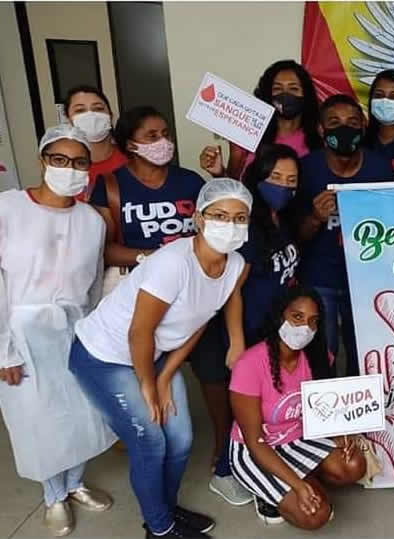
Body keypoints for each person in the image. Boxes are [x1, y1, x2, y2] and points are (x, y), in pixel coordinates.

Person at [70, 179, 253, 539]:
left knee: (181, 438)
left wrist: (166, 375)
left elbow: (199, 321)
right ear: (199, 219)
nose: (229, 225)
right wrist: (148, 385)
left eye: (239, 218)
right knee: (150, 442)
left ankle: (164, 510)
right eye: (219, 215)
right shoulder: (173, 263)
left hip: (151, 355)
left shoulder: (234, 264)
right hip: (105, 355)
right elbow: (139, 331)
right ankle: (160, 528)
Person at [0, 125, 115, 537]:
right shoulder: (8, 208)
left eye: (79, 162)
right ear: (42, 161)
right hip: (21, 333)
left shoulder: (91, 220)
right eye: (59, 160)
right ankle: (53, 495)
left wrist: (95, 338)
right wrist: (4, 351)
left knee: (84, 412)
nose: (70, 169)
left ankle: (75, 483)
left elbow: (94, 283)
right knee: (39, 418)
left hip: (74, 329)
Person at [200, 144, 303, 507]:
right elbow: (233, 289)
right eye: (275, 177)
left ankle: (257, 466)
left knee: (264, 407)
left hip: (270, 331)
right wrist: (236, 342)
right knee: (244, 410)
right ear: (258, 178)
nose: (283, 186)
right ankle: (224, 474)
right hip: (245, 332)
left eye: (291, 180)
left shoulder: (280, 218)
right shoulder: (250, 230)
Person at [229, 286, 366, 528]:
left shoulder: (317, 357)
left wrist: (338, 435)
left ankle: (301, 479)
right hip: (256, 449)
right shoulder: (249, 364)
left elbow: (324, 407)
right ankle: (275, 488)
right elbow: (254, 442)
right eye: (297, 317)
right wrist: (298, 485)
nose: (305, 328)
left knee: (353, 465)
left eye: (313, 321)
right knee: (315, 515)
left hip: (299, 436)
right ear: (280, 316)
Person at [297, 94, 393, 377]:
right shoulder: (307, 169)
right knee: (321, 356)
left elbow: (392, 228)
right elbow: (293, 235)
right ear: (321, 129)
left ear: (363, 126)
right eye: (334, 123)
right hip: (319, 278)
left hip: (364, 280)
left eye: (352, 122)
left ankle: (361, 405)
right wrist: (315, 218)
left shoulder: (379, 168)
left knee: (364, 355)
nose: (344, 129)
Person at [89, 106, 204, 276]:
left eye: (165, 134)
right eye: (152, 136)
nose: (163, 141)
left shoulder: (191, 181)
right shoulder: (110, 185)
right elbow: (103, 249)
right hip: (138, 280)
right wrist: (154, 257)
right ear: (130, 145)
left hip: (192, 276)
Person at [200, 60, 322, 179]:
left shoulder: (318, 136)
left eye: (293, 88)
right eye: (277, 88)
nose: (285, 94)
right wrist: (219, 173)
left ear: (306, 94)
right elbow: (233, 186)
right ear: (267, 94)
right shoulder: (250, 131)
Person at [64, 85, 127, 200]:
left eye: (98, 108)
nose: (91, 115)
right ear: (69, 120)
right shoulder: (65, 167)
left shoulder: (131, 158)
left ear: (110, 115)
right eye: (80, 110)